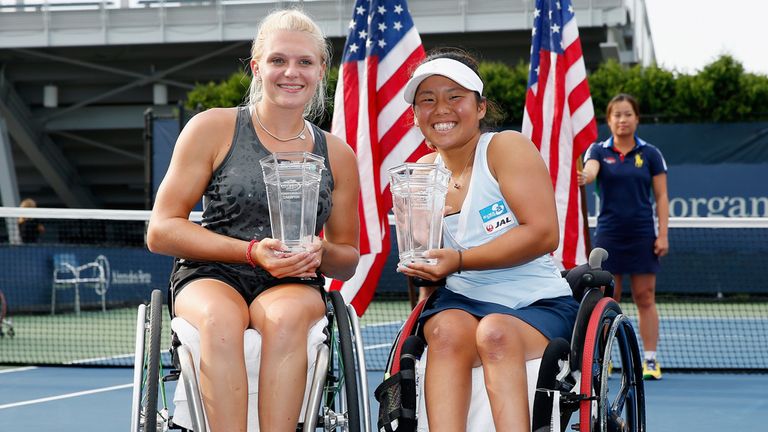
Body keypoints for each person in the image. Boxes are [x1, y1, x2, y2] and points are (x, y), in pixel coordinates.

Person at [146, 9, 360, 432]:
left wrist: (320, 253)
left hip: (293, 281)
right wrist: (251, 252)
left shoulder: (338, 154)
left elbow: (348, 259)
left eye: (304, 62)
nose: (291, 72)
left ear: (321, 70)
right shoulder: (212, 128)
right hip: (211, 274)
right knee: (219, 321)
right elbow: (161, 230)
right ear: (257, 66)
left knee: (286, 320)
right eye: (278, 60)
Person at [397, 48, 579, 432]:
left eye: (455, 97)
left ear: (480, 107)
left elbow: (543, 233)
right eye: (427, 100)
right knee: (443, 333)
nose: (441, 109)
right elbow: (428, 263)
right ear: (415, 116)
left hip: (535, 300)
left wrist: (460, 261)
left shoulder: (505, 147)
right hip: (460, 301)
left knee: (495, 333)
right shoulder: (421, 173)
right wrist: (421, 260)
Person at [578, 93, 669, 380]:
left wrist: (663, 234)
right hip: (609, 235)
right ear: (609, 120)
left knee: (645, 297)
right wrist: (584, 176)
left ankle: (650, 360)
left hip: (642, 234)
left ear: (637, 118)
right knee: (607, 298)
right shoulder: (597, 150)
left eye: (628, 114)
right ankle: (603, 359)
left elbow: (661, 196)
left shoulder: (651, 154)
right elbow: (591, 172)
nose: (622, 120)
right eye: (617, 115)